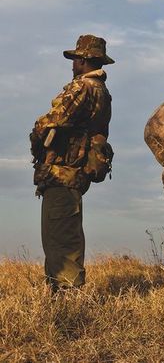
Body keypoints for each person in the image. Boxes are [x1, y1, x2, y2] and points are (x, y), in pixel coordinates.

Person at [30, 34, 114, 292]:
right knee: (65, 236)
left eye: (76, 58)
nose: (73, 64)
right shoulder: (103, 92)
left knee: (61, 241)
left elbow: (48, 124)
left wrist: (36, 138)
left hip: (62, 173)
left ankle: (68, 301)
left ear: (85, 60)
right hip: (73, 175)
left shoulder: (82, 87)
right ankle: (63, 295)